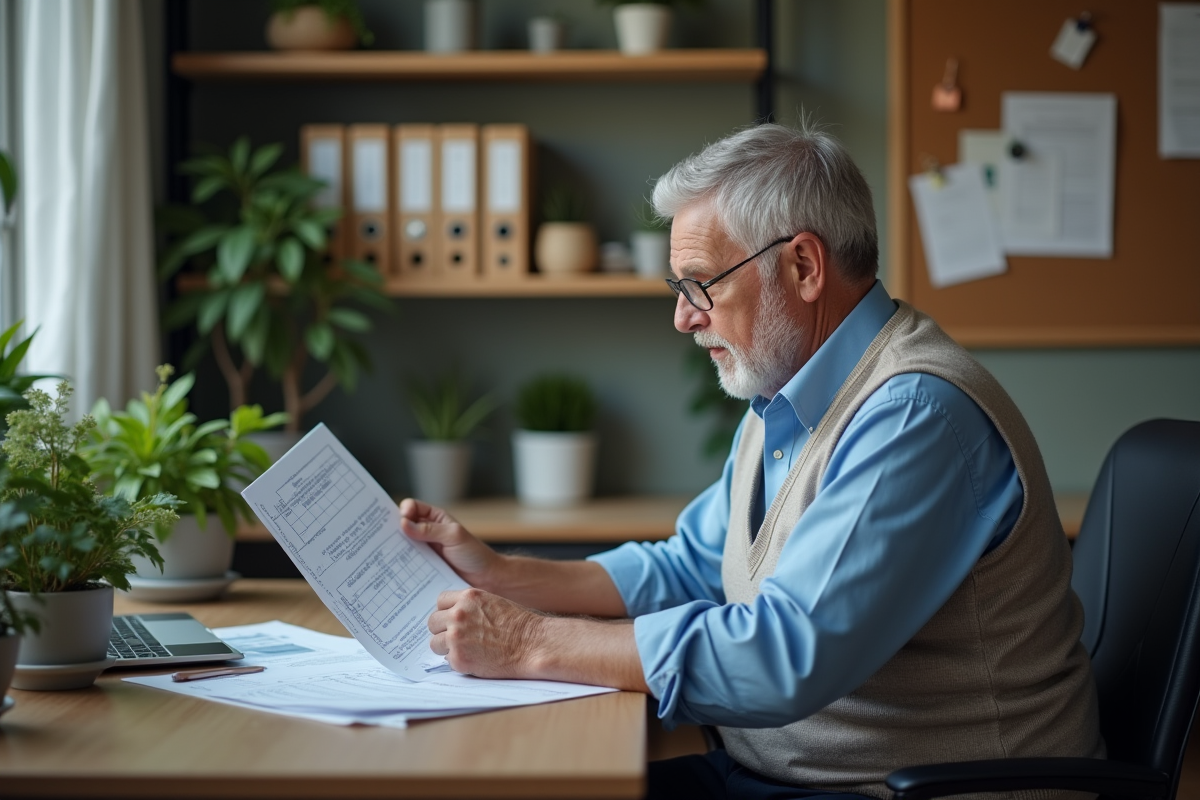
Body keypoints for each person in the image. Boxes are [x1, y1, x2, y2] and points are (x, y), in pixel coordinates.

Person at [399, 121, 1104, 800]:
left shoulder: (912, 416)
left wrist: (531, 643)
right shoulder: (782, 399)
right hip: (787, 776)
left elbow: (783, 656)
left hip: (906, 790)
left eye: (700, 283)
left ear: (803, 266)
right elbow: (692, 567)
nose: (684, 318)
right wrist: (504, 575)